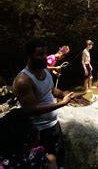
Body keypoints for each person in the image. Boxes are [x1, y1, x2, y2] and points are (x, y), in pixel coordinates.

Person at [13, 39, 76, 167]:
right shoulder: (23, 80)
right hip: (37, 131)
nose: (44, 57)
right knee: (43, 164)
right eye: (40, 54)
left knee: (58, 159)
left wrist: (65, 94)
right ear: (30, 56)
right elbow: (31, 109)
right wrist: (62, 103)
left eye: (45, 54)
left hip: (54, 125)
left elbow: (52, 90)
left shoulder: (45, 71)